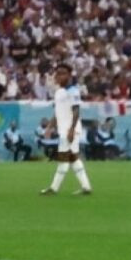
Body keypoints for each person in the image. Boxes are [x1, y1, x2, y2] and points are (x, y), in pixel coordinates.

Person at [43, 65, 94, 197]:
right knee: (73, 158)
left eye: (63, 74)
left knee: (63, 159)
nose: (59, 76)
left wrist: (71, 129)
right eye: (58, 74)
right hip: (63, 129)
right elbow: (57, 112)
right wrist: (49, 127)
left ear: (69, 75)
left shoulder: (73, 91)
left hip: (70, 130)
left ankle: (54, 188)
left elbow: (76, 111)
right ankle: (86, 187)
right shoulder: (59, 92)